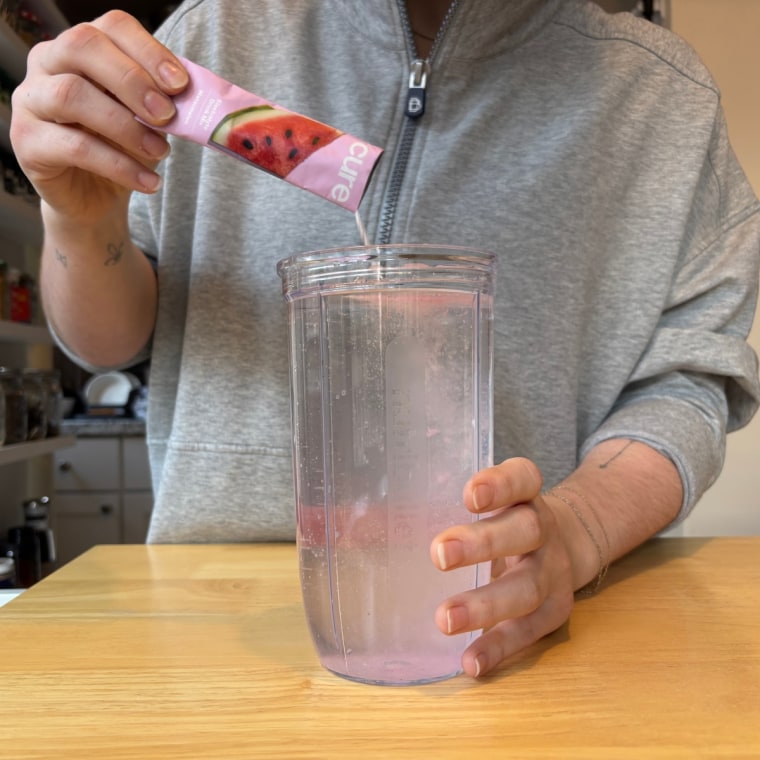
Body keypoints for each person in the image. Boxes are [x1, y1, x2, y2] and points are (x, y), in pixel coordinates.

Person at [11, 0, 760, 678]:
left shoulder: (662, 100)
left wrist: (582, 529)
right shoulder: (202, 45)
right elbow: (107, 345)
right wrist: (80, 220)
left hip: (500, 624)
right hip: (204, 617)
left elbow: (690, 381)